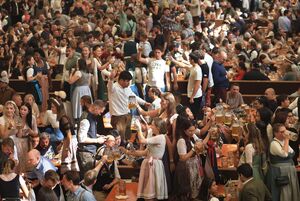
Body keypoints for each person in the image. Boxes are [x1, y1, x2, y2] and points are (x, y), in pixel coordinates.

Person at [123, 118, 168, 200]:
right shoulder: (156, 138)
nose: (151, 127)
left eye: (153, 125)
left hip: (154, 165)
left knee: (152, 192)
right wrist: (126, 151)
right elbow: (143, 153)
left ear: (158, 127)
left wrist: (139, 128)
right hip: (149, 164)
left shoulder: (161, 137)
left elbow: (142, 141)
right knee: (148, 193)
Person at [108, 70, 149, 140]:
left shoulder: (128, 88)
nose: (128, 83)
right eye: (127, 81)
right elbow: (110, 84)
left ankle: (127, 149)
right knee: (120, 139)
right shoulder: (113, 88)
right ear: (121, 80)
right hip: (118, 117)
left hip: (127, 115)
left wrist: (144, 103)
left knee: (127, 137)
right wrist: (111, 79)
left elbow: (134, 97)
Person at [266, 123, 300, 201]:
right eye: (282, 132)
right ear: (275, 133)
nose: (285, 133)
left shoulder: (283, 142)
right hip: (279, 173)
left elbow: (292, 152)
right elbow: (284, 154)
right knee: (282, 194)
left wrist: (286, 141)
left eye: (285, 131)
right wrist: (287, 139)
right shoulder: (274, 143)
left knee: (290, 194)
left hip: (289, 172)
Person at [77, 100, 107, 177]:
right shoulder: (86, 119)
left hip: (89, 153)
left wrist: (98, 136)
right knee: (87, 177)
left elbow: (88, 133)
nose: (100, 114)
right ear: (96, 108)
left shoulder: (92, 117)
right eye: (100, 111)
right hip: (85, 153)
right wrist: (97, 140)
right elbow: (81, 139)